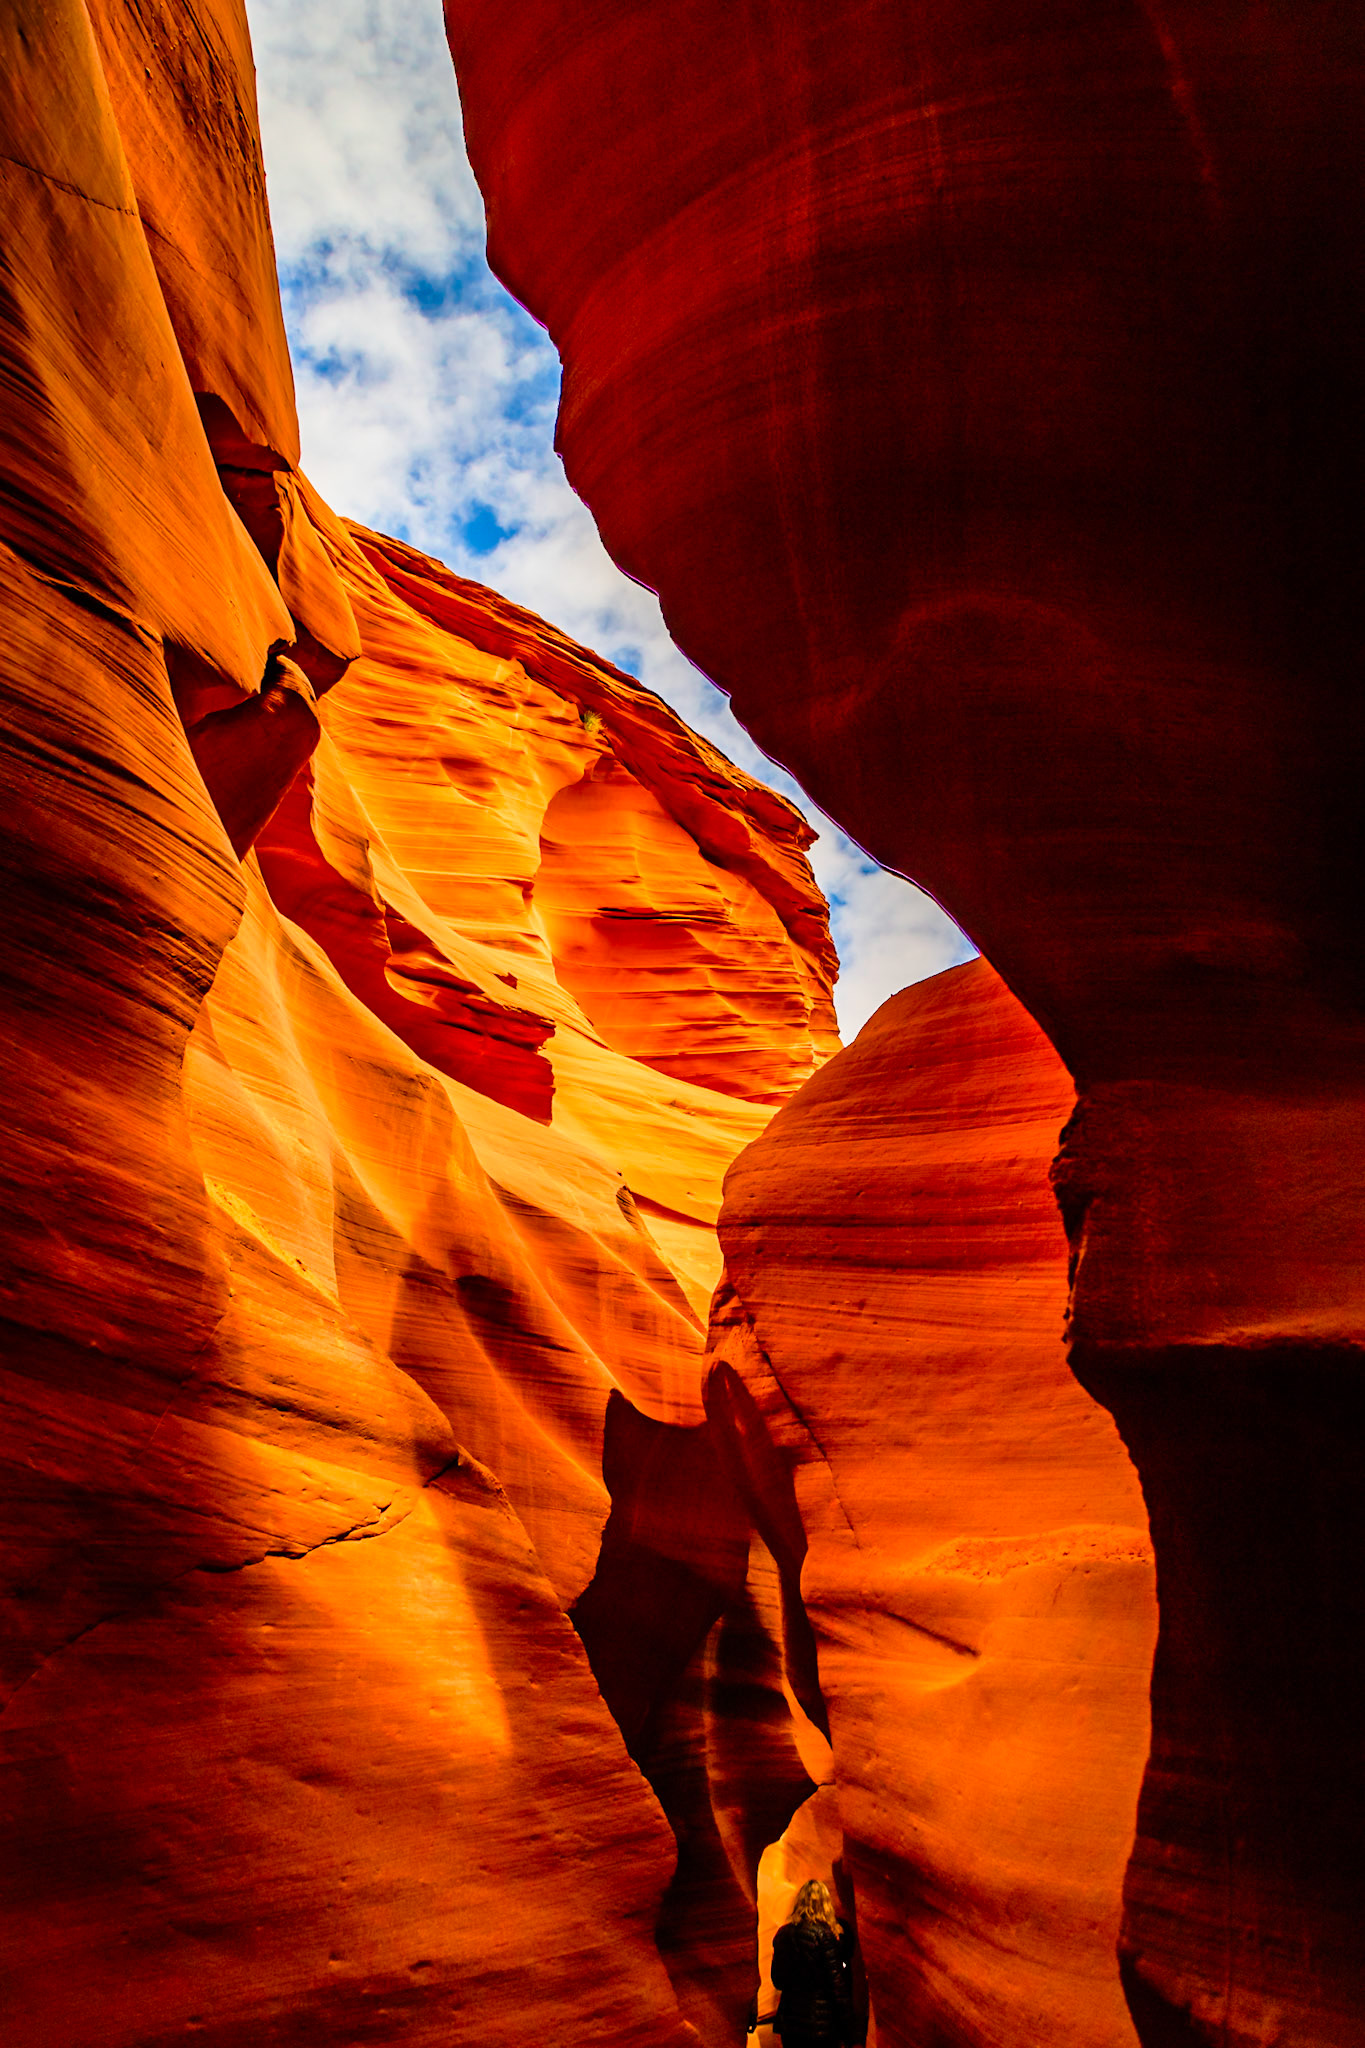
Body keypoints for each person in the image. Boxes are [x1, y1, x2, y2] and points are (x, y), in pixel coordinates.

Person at [770, 1879, 853, 2047]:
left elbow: (777, 1980)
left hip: (790, 2023)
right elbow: (837, 1985)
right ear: (825, 1904)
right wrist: (849, 2028)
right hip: (820, 2024)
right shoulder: (825, 1935)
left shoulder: (783, 1934)